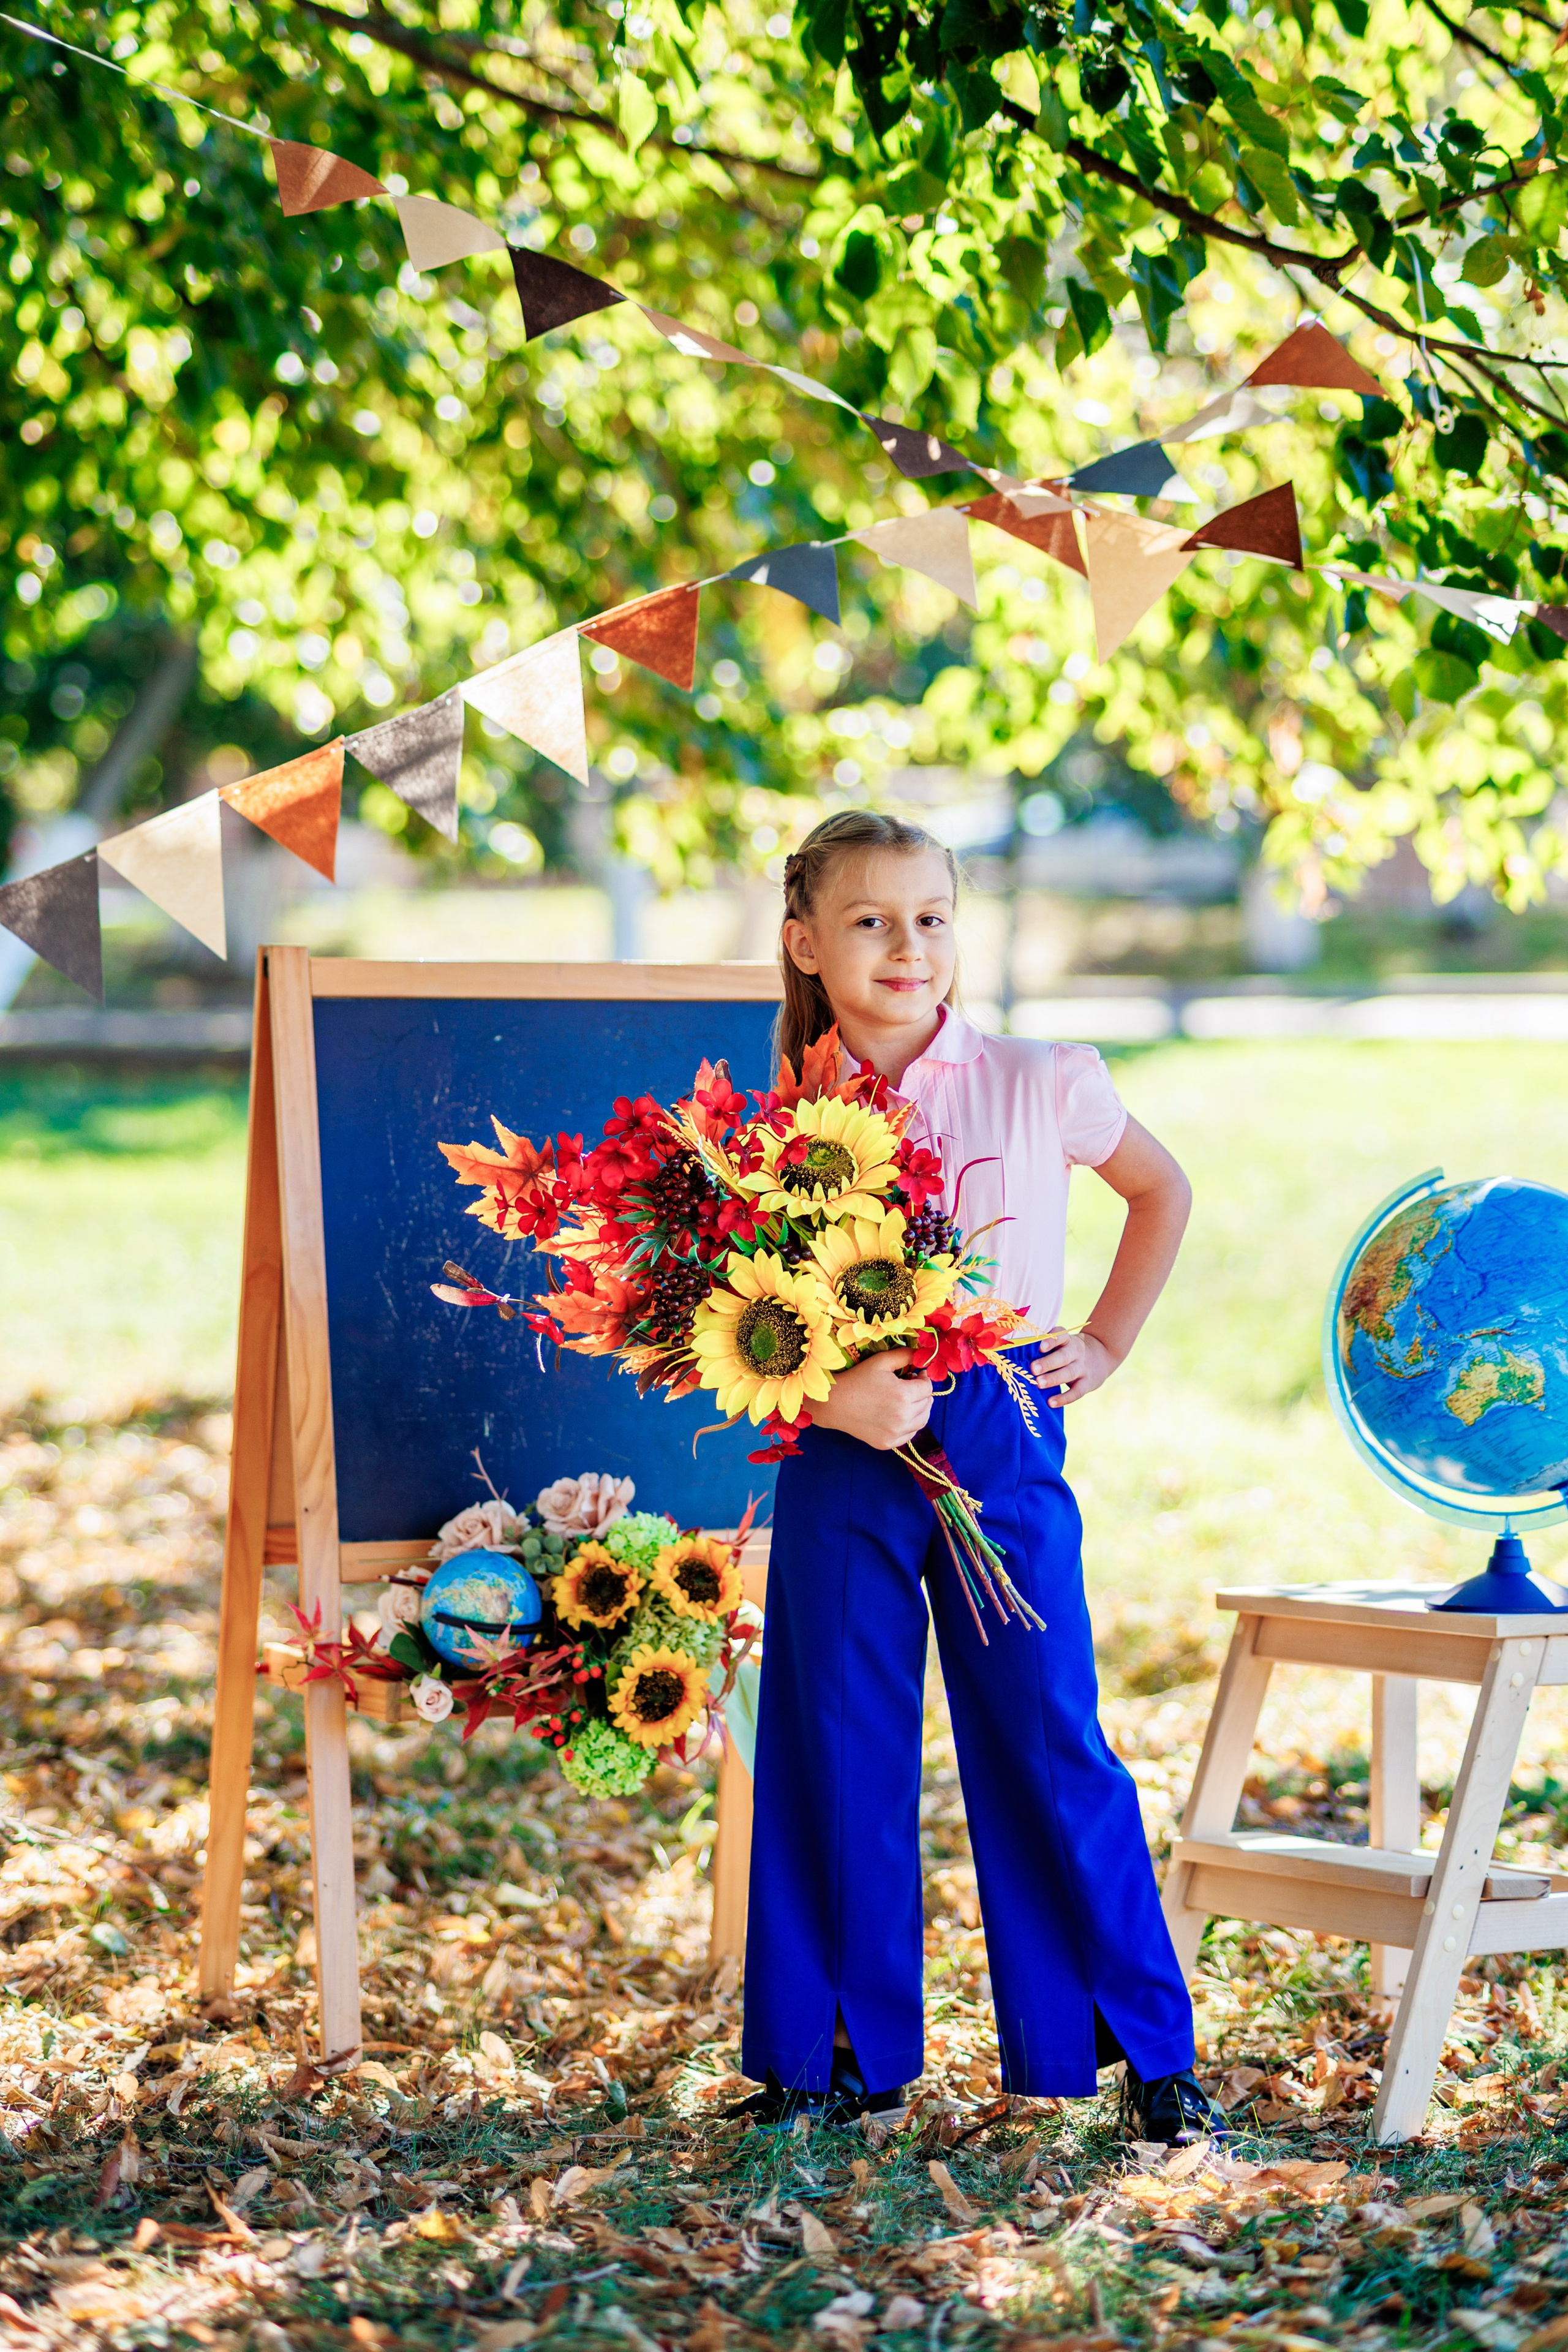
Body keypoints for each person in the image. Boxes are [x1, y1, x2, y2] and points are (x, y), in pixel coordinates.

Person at [733, 809, 1215, 2144]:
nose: (908, 946)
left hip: (1001, 1428)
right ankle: (835, 2057)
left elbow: (1161, 1191)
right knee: (834, 1734)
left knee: (1045, 1728)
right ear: (804, 943)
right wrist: (837, 1398)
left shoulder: (1038, 1077)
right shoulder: (763, 1123)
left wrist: (1103, 1341)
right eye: (870, 921)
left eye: (931, 918)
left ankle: (1138, 2053)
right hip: (840, 1443)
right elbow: (722, 1319)